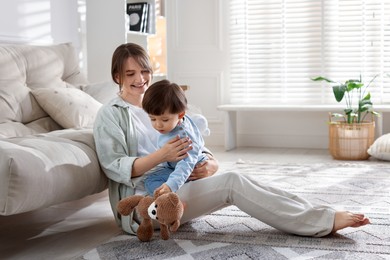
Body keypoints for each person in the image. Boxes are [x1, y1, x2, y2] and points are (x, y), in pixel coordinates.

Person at [93, 42, 370, 236]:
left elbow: (193, 144)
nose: (140, 79)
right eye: (130, 74)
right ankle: (323, 222)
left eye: (144, 71)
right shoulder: (110, 115)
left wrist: (210, 164)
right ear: (117, 76)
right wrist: (162, 156)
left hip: (181, 186)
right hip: (147, 205)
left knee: (238, 178)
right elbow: (114, 166)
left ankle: (320, 213)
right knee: (233, 183)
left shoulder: (160, 103)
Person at [142, 79, 208, 196]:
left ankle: (170, 202)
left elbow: (185, 165)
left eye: (165, 119)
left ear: (180, 114)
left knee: (151, 181)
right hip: (174, 165)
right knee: (151, 179)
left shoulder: (183, 138)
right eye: (152, 119)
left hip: (191, 169)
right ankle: (168, 200)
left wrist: (170, 185)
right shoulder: (178, 122)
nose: (158, 125)